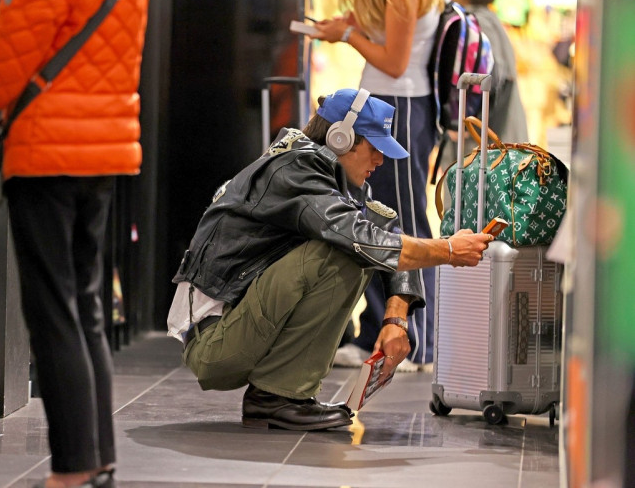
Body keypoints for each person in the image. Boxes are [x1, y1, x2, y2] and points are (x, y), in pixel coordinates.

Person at [167, 89, 494, 431]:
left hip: (234, 327)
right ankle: (280, 395)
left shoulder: (324, 171)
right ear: (342, 137)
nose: (380, 161)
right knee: (344, 252)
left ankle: (273, 396)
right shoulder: (297, 170)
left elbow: (385, 226)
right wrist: (450, 250)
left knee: (359, 243)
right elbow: (364, 240)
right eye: (374, 149)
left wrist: (396, 318)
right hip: (214, 345)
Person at [0, 0, 150, 487]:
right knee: (84, 308)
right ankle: (97, 456)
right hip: (105, 152)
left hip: (48, 150)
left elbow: (6, 63)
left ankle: (72, 468)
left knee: (52, 311)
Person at [311, 0, 445, 371]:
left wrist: (348, 36)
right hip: (389, 105)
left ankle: (416, 341)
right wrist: (350, 25)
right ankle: (374, 331)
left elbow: (395, 62)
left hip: (399, 107)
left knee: (402, 225)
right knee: (374, 222)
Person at [446, 0, 529, 143]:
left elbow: (492, 80)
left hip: (486, 142)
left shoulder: (473, 24)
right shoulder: (491, 21)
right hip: (503, 134)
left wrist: (465, 119)